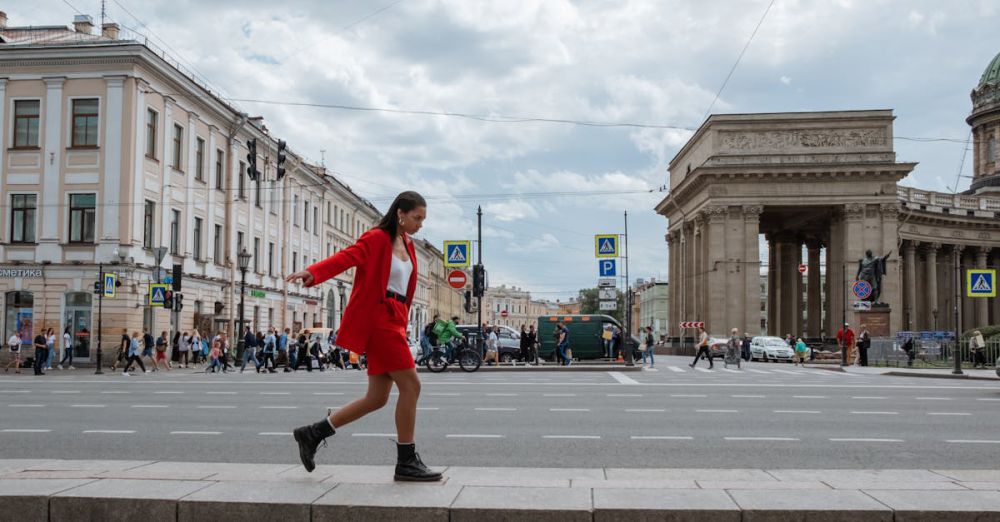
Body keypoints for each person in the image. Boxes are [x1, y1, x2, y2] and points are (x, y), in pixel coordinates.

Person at [286, 191, 441, 482]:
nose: (420, 224)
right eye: (417, 218)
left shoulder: (407, 245)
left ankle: (312, 433)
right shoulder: (376, 239)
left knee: (377, 398)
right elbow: (346, 258)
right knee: (412, 386)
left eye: (423, 219)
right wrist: (313, 272)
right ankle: (406, 461)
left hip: (396, 320)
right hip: (379, 319)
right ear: (401, 213)